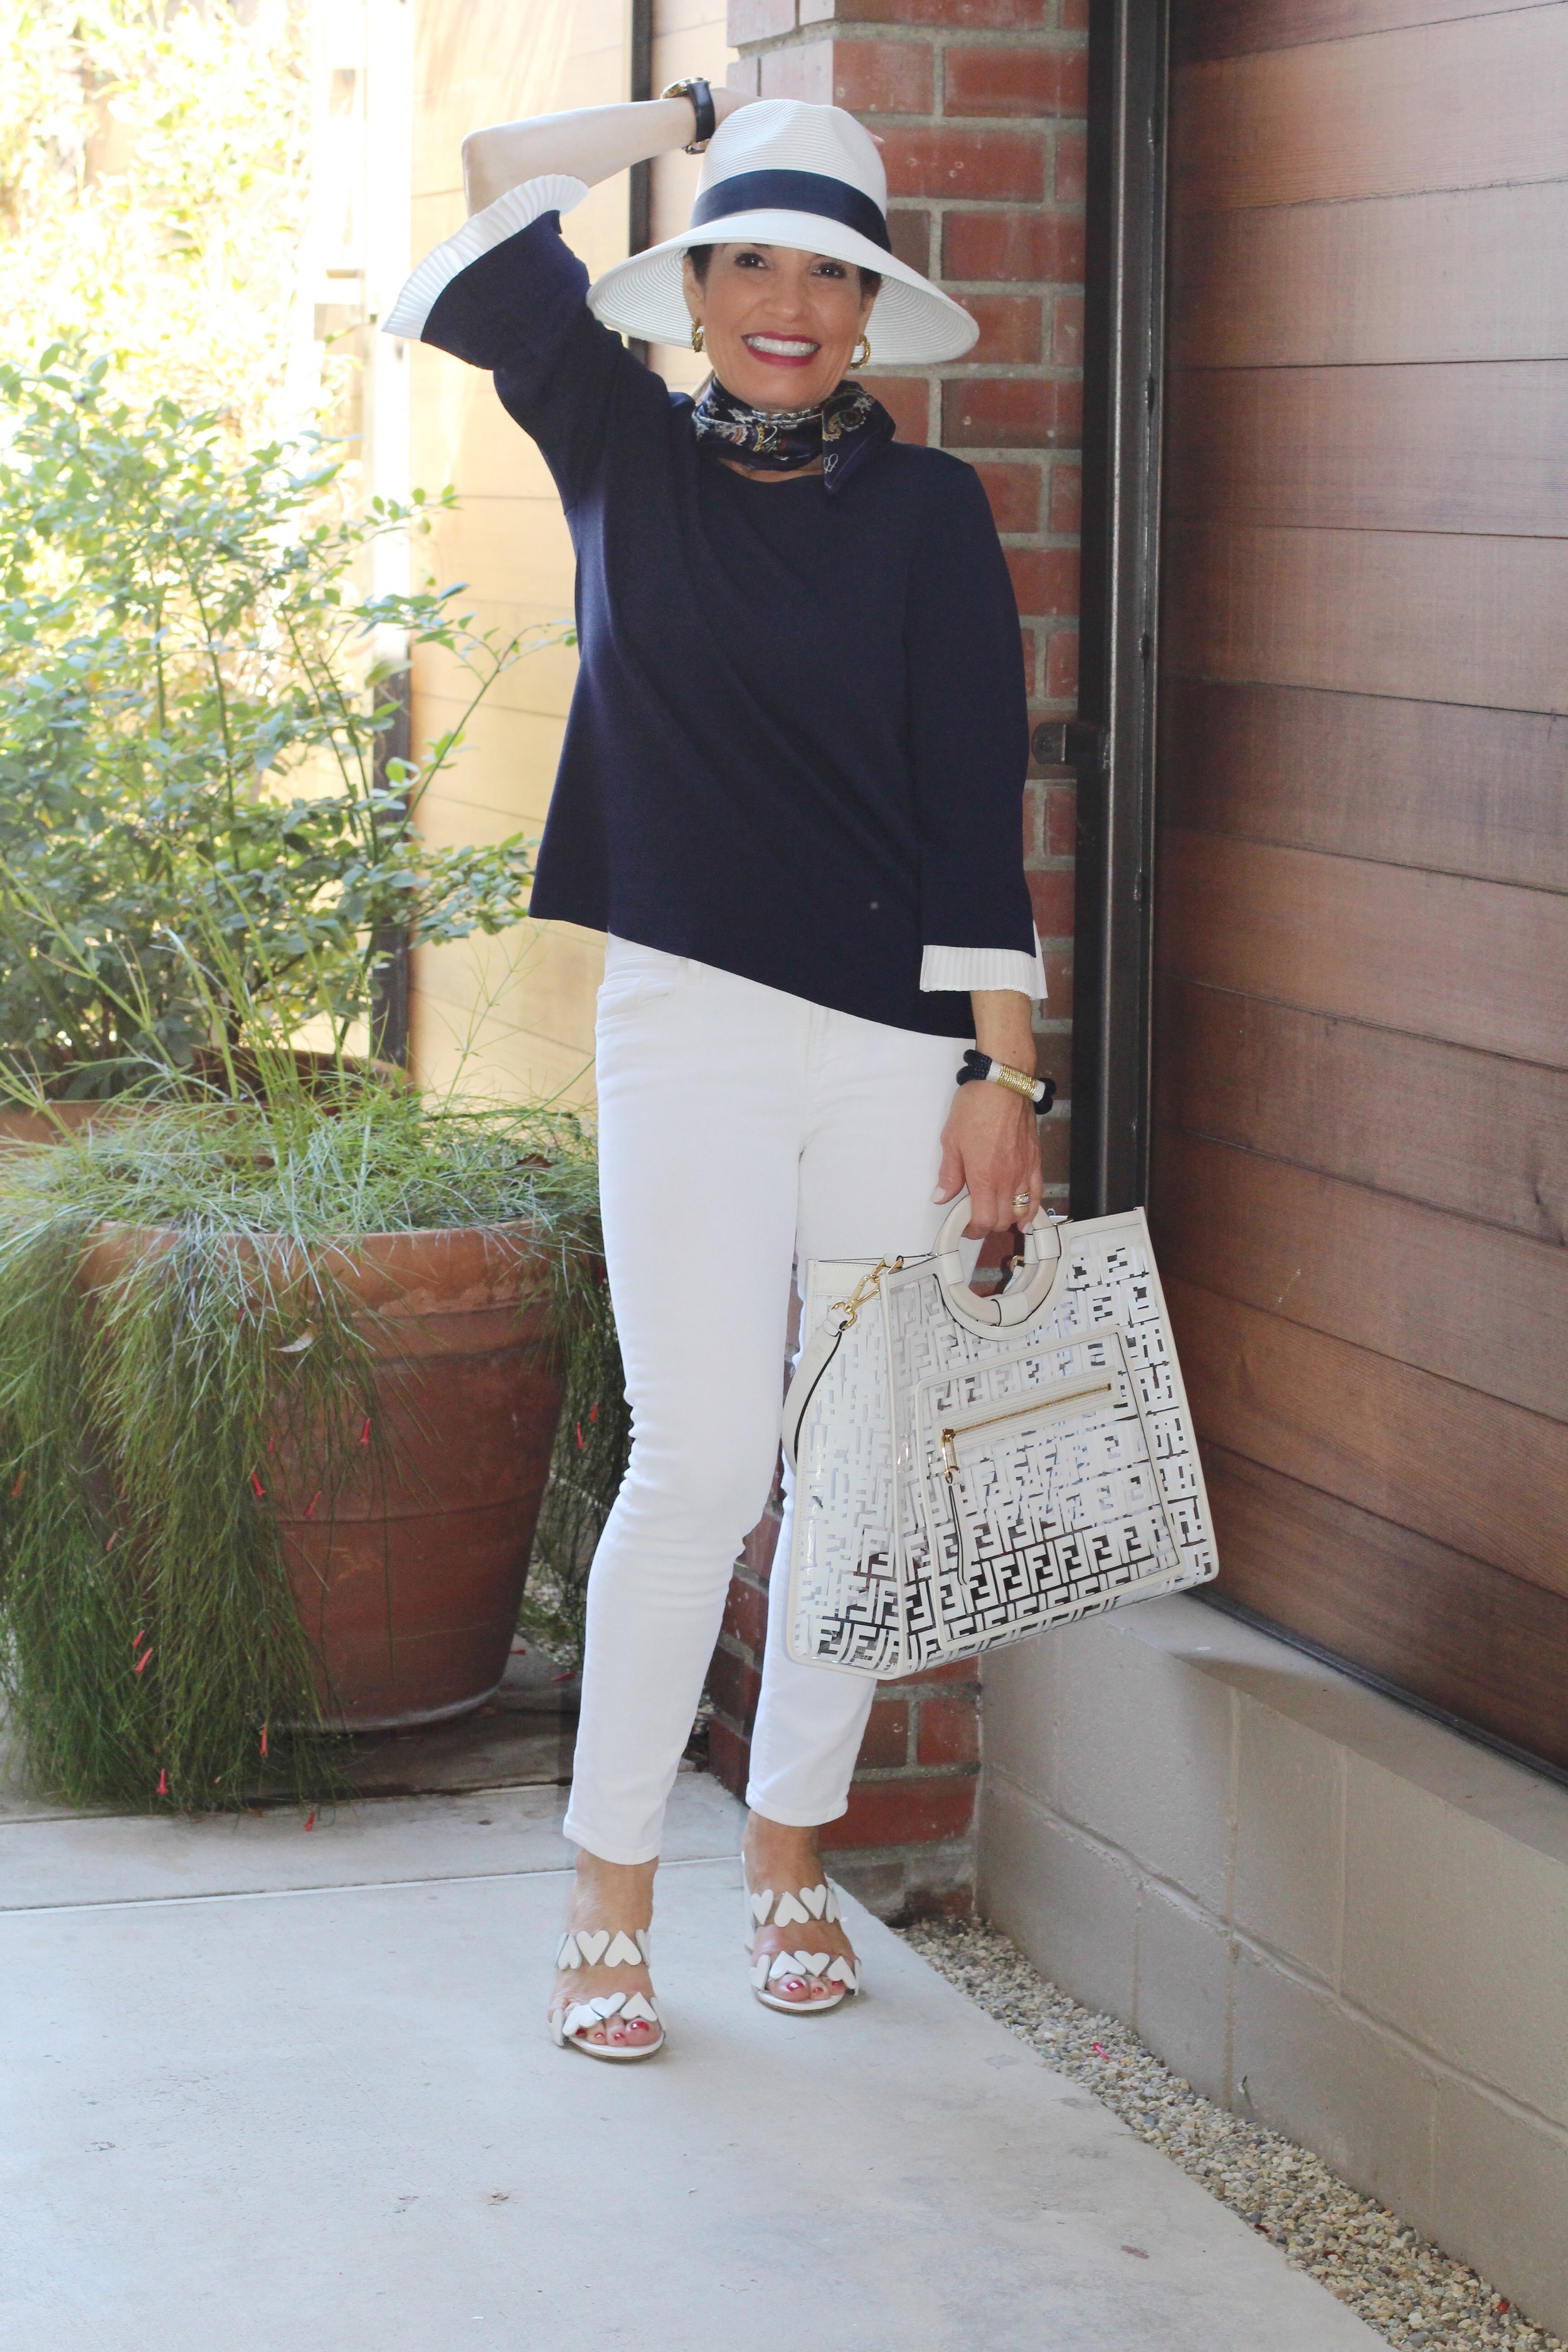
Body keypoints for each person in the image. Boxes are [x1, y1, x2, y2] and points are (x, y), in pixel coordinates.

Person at [385, 87, 1047, 2061]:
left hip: (888, 1051)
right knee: (699, 1463)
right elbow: (486, 213)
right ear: (693, 292)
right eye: (746, 258)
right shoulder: (610, 440)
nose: (785, 301)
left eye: (826, 272)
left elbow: (969, 810)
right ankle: (606, 1897)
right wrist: (676, 114)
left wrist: (1001, 1076)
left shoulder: (929, 513)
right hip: (683, 1027)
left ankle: (785, 1856)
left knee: (843, 1468)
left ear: (864, 312)